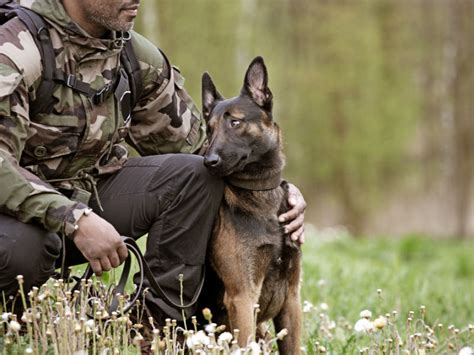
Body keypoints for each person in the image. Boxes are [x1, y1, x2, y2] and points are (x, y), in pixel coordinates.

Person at [0, 0, 306, 321]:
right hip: (18, 217)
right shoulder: (16, 48)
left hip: (90, 196)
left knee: (195, 176)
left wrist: (275, 190)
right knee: (21, 249)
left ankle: (159, 327)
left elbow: (204, 152)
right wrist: (75, 219)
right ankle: (21, 324)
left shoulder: (134, 56)